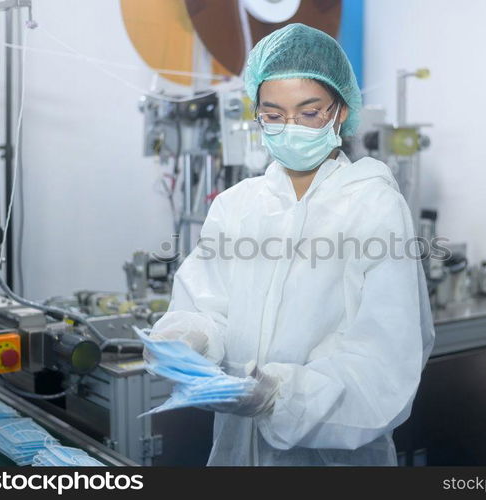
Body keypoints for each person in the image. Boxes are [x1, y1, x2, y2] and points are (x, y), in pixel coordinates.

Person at [146, 23, 435, 466]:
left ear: (339, 111)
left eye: (309, 112)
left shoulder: (372, 205)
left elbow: (381, 359)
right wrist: (190, 336)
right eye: (274, 115)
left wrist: (279, 397)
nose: (291, 128)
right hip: (235, 451)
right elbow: (208, 305)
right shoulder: (236, 205)